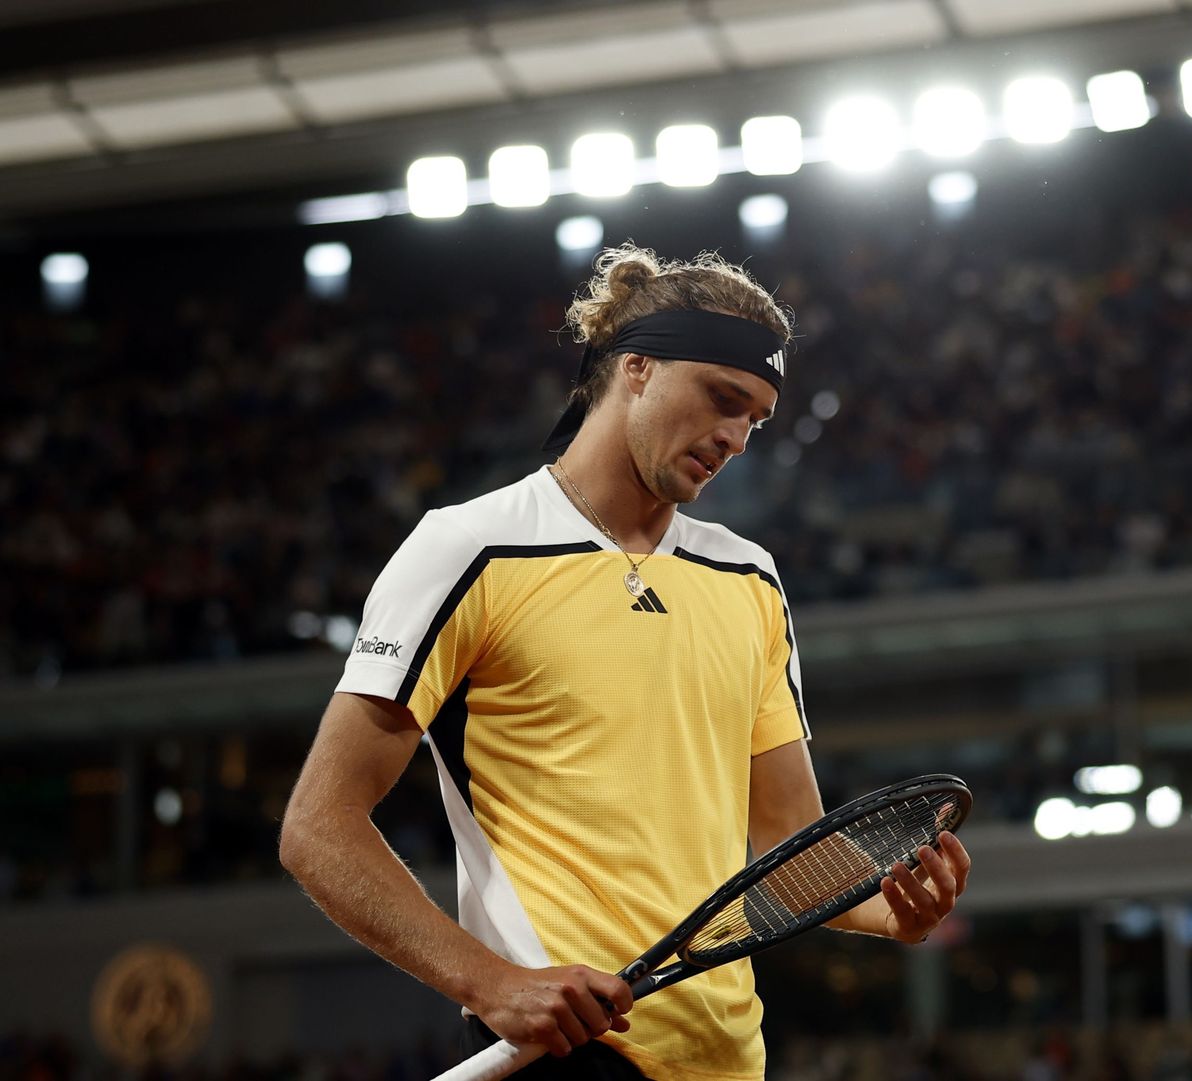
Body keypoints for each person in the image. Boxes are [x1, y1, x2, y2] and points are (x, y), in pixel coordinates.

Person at [279, 245, 972, 1081]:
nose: (736, 438)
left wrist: (885, 908)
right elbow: (319, 828)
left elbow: (788, 842)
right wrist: (492, 983)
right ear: (636, 368)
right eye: (723, 398)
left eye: (755, 417)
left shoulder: (748, 577)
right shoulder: (469, 548)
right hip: (564, 1055)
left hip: (729, 1060)